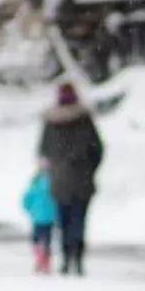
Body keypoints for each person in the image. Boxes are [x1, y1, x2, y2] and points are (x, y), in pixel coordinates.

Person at [38, 83, 105, 276]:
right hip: (82, 180)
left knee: (63, 220)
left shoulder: (51, 122)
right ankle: (77, 256)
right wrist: (89, 169)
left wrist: (55, 167)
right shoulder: (84, 120)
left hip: (60, 181)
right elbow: (97, 149)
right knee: (79, 220)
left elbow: (43, 150)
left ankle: (66, 257)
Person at [22, 165, 58, 275]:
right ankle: (46, 262)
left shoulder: (35, 184)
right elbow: (58, 201)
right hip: (50, 218)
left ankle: (39, 259)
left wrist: (30, 210)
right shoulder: (54, 184)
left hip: (37, 217)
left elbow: (26, 199)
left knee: (36, 239)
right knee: (47, 240)